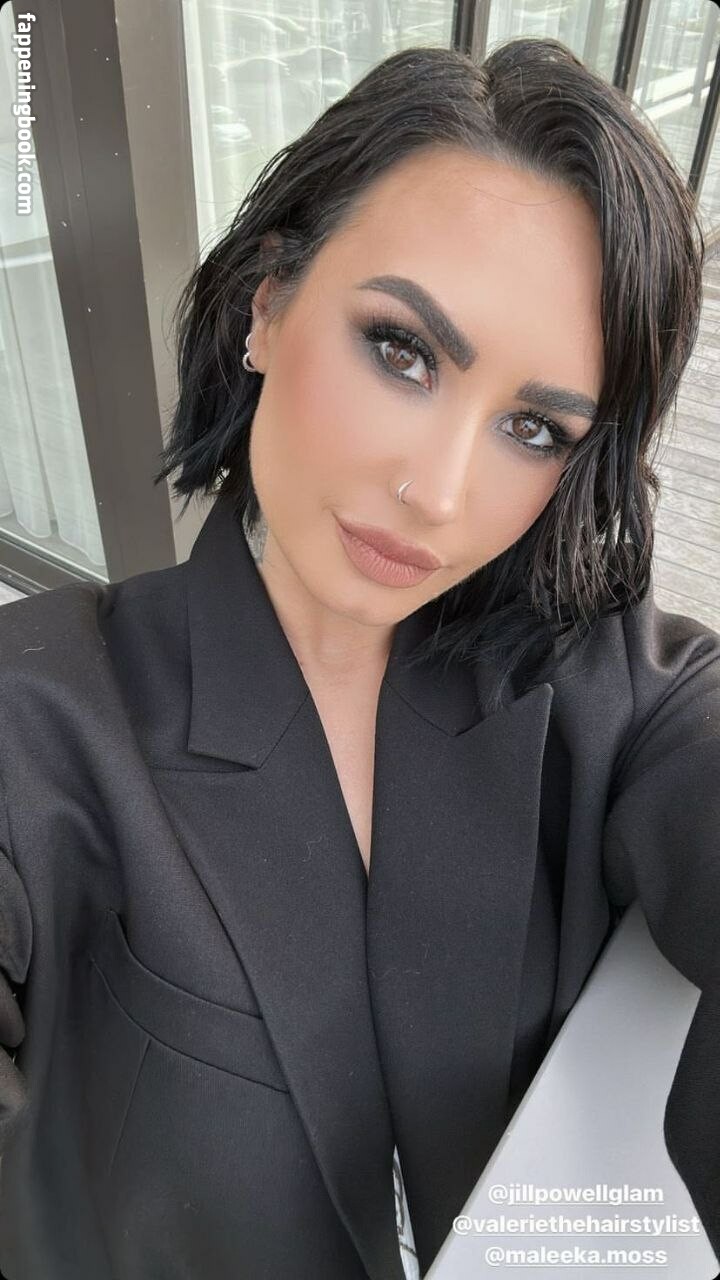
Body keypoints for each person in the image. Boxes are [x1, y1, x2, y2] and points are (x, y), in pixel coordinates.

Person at [0, 34, 718, 1280]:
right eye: (402, 350)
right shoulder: (39, 716)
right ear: (267, 304)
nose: (436, 491)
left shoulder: (601, 676)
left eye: (533, 427)